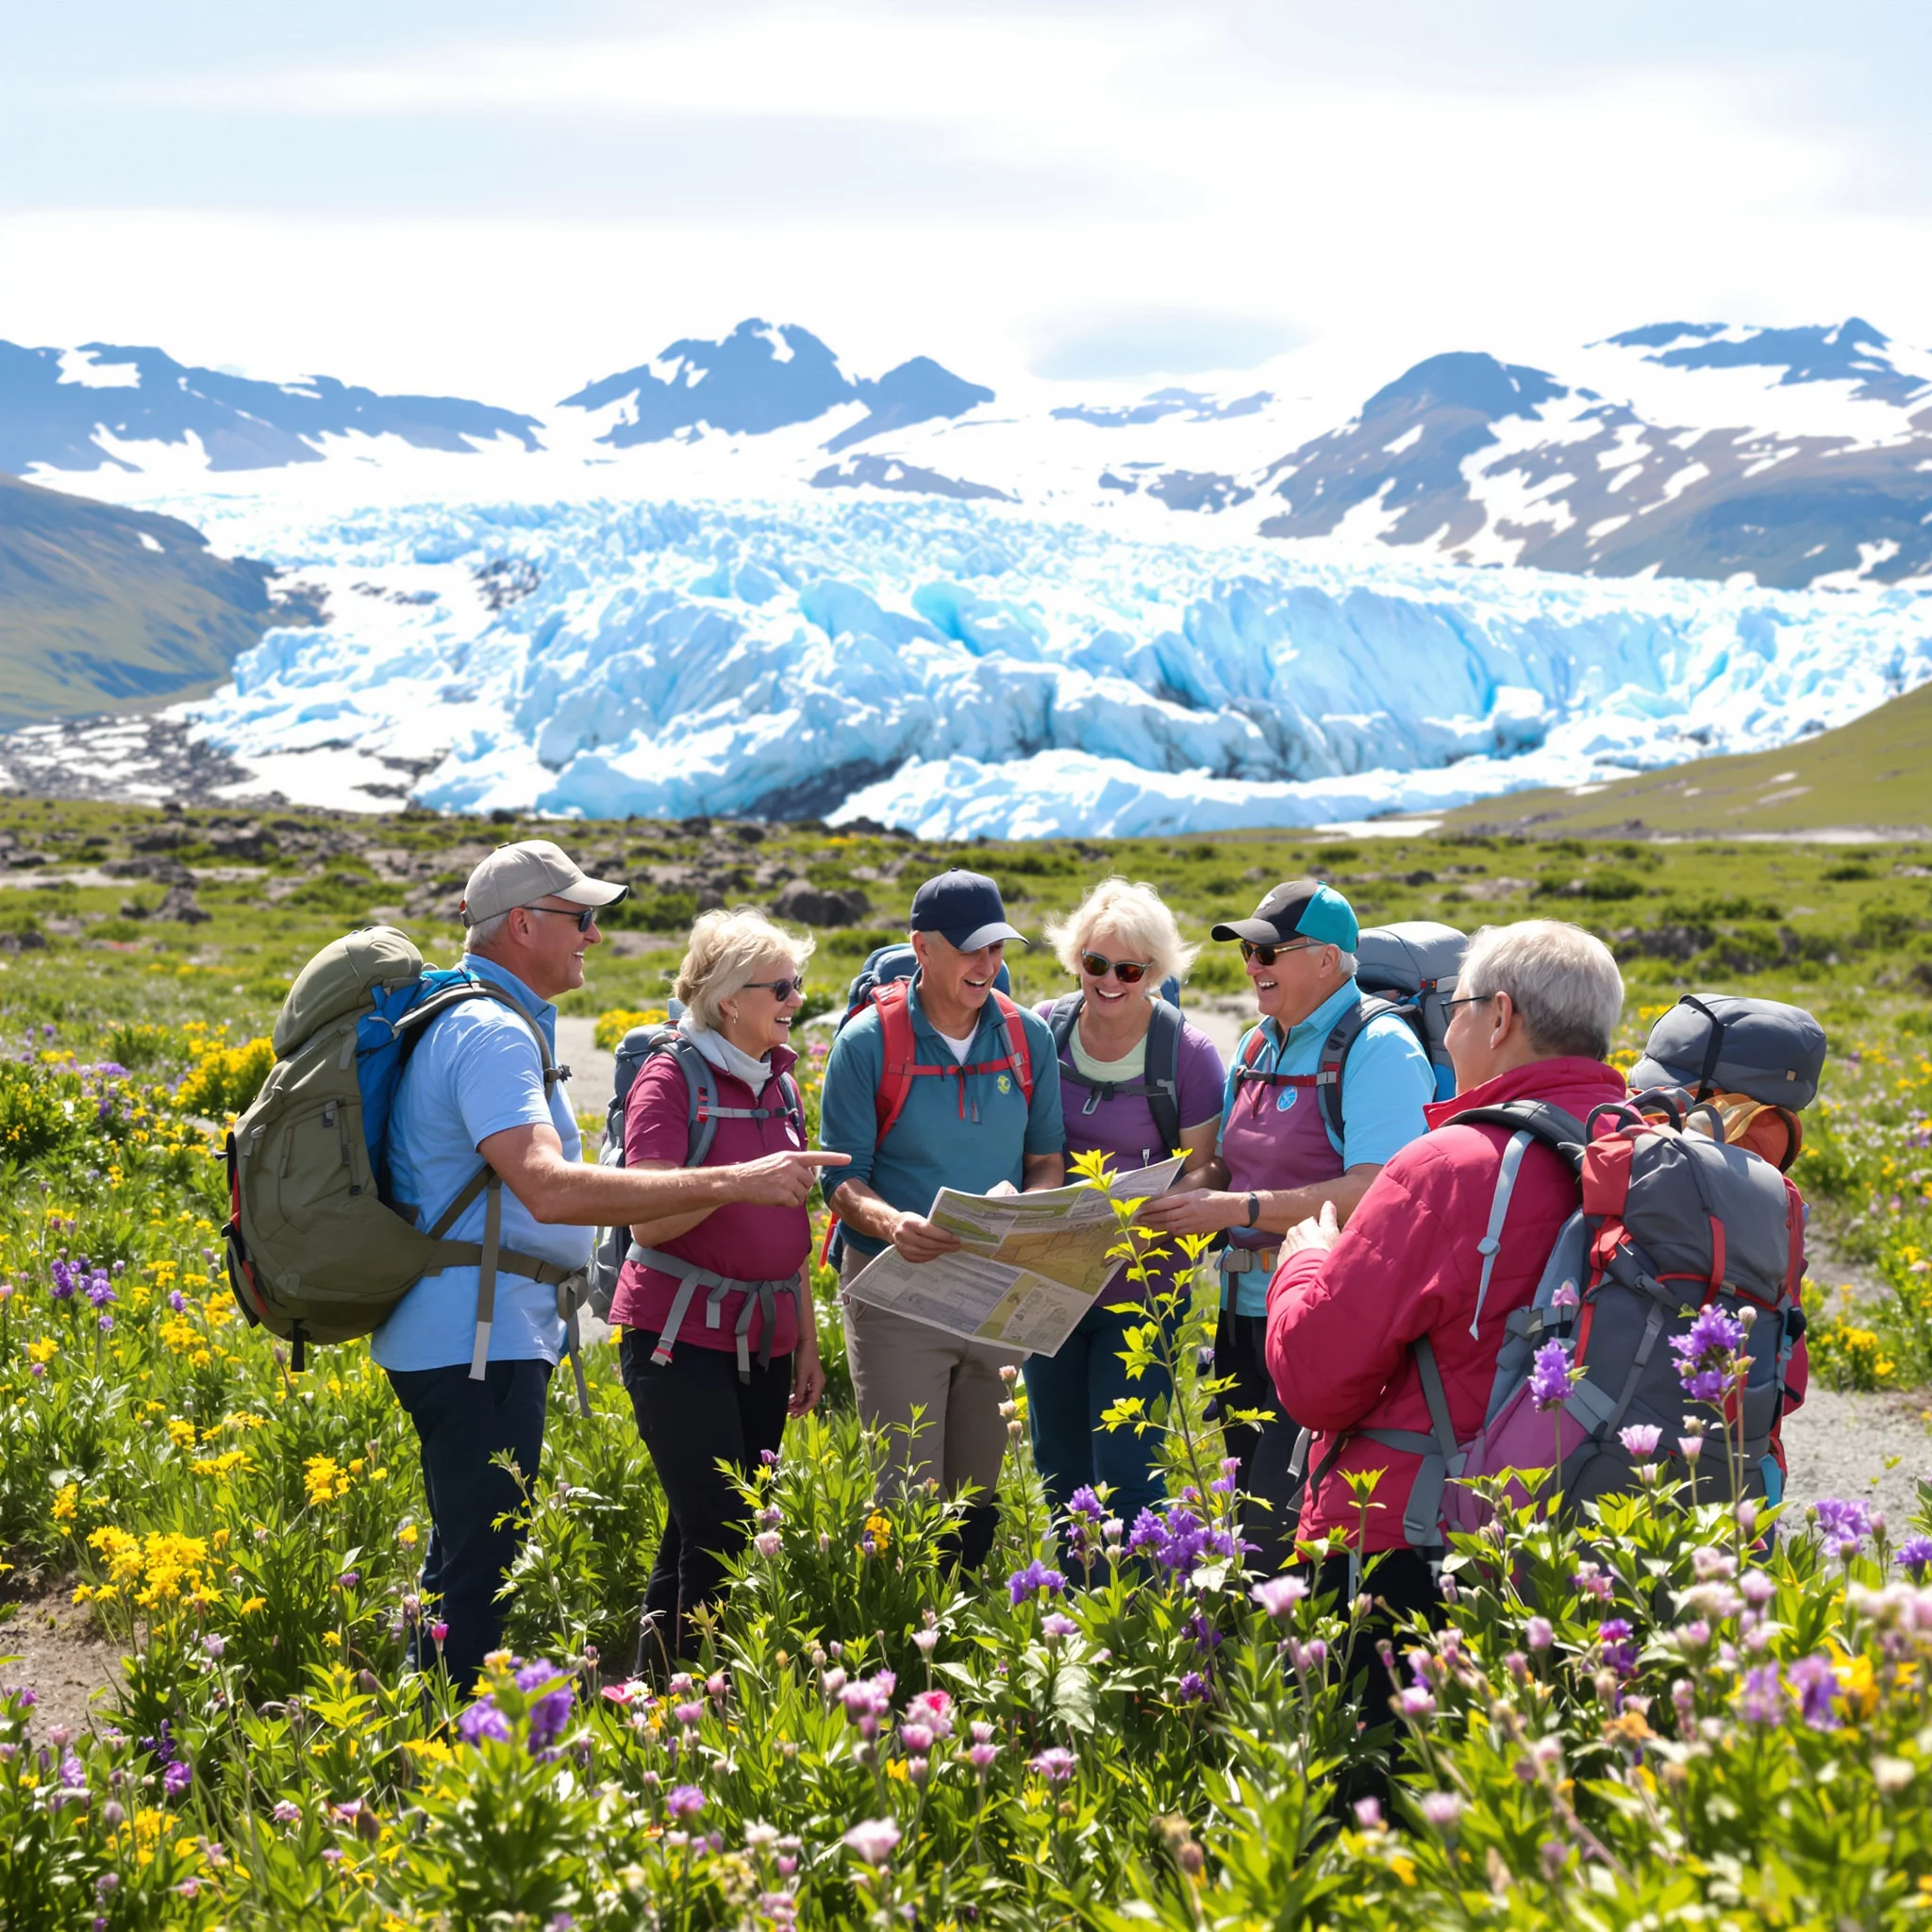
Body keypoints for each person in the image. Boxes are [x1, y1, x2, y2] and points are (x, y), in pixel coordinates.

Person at [375, 841, 844, 1684]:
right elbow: (547, 1188)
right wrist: (741, 1179)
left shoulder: (497, 1021)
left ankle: (455, 1725)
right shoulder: (490, 1033)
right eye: (580, 919)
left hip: (482, 1325)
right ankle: (457, 1768)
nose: (593, 936)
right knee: (483, 1567)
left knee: (470, 1554)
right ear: (523, 925)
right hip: (475, 1332)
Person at [1264, 919, 1627, 1724]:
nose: (1446, 1027)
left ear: (1500, 1019)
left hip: (1417, 1542)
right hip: (1602, 1536)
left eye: (1454, 1008)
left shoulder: (1450, 1165)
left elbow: (1317, 1380)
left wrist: (1306, 1260)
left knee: (1373, 1813)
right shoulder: (1649, 1153)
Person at [1137, 878, 1435, 1574]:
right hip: (1242, 1314)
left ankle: (1296, 1662)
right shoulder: (1255, 1046)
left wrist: (1235, 1210)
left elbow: (1377, 1192)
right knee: (1249, 1510)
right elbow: (1227, 1173)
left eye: (1270, 951)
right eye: (1247, 949)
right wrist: (1167, 1201)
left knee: (1277, 1525)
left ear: (1329, 960)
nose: (1252, 965)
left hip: (1326, 1315)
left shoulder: (1380, 1048)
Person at [819, 870, 1064, 1570]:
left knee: (978, 1490)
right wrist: (893, 1223)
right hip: (895, 1284)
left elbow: (1046, 1160)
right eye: (969, 949)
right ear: (921, 948)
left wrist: (1031, 1204)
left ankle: (956, 1630)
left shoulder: (1028, 1038)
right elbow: (841, 1180)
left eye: (996, 948)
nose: (986, 965)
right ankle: (894, 1631)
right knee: (901, 1494)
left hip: (995, 1285)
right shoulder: (867, 1044)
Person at [608, 909, 827, 1669]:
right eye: (782, 987)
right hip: (678, 1339)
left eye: (795, 985)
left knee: (706, 1525)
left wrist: (805, 1339)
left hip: (764, 1340)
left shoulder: (781, 1084)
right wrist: (742, 1182)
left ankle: (654, 1693)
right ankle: (688, 1699)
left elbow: (790, 1226)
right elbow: (649, 1223)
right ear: (731, 998)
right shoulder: (669, 1079)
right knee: (721, 1526)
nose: (795, 1000)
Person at [1027, 878, 1225, 1528]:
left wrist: (1166, 1209)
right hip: (1050, 1288)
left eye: (1130, 969)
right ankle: (1073, 1620)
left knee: (1128, 1476)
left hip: (1141, 1291)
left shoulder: (1187, 1057)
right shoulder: (1043, 1034)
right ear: (1075, 958)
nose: (1110, 980)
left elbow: (1207, 1169)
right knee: (1059, 1476)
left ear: (1156, 972)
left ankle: (1138, 1618)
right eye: (1095, 963)